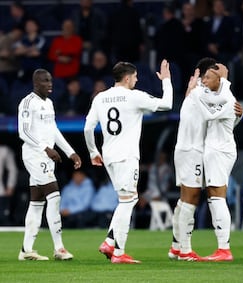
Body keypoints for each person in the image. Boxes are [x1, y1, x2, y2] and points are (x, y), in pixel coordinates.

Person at [84, 59, 173, 264]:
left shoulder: (100, 98)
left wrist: (92, 152)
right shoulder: (134, 97)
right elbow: (167, 104)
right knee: (128, 200)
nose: (137, 79)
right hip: (127, 155)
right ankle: (114, 246)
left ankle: (113, 246)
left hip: (109, 156)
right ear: (127, 77)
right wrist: (166, 80)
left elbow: (88, 128)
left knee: (126, 199)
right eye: (135, 77)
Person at [168, 57, 243, 262]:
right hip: (193, 150)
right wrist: (225, 82)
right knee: (192, 199)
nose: (211, 80)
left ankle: (177, 247)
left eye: (214, 77)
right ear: (201, 77)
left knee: (188, 199)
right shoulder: (201, 92)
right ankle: (185, 250)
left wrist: (237, 115)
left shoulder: (201, 93)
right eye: (209, 76)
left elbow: (222, 115)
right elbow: (217, 109)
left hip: (191, 149)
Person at [17, 68, 82, 261]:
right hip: (34, 155)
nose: (50, 83)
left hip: (45, 157)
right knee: (54, 197)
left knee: (36, 202)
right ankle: (59, 248)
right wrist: (45, 148)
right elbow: (24, 132)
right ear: (36, 83)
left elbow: (53, 130)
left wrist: (70, 152)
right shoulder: (28, 103)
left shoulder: (49, 103)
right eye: (46, 81)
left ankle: (26, 250)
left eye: (51, 80)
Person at [196, 63, 238, 261]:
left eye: (208, 78)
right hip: (215, 149)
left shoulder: (227, 99)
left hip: (220, 150)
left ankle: (224, 249)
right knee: (213, 195)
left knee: (218, 195)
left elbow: (208, 114)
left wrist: (198, 98)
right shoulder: (220, 98)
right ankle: (221, 246)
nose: (204, 81)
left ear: (219, 80)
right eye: (203, 77)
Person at [0, 144, 18, 225]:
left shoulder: (4, 150)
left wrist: (10, 186)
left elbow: (13, 169)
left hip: (1, 193)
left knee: (3, 219)